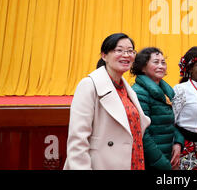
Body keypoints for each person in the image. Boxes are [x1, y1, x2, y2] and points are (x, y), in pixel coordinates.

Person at [64, 33, 150, 170]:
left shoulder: (128, 90)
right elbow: (78, 140)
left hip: (132, 162)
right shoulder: (89, 85)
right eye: (119, 50)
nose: (126, 55)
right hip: (102, 164)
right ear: (104, 55)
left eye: (130, 51)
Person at [131, 47, 184, 170]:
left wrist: (178, 141)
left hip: (166, 154)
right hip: (152, 161)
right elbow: (143, 133)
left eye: (163, 62)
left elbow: (169, 123)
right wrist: (162, 163)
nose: (161, 66)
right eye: (156, 62)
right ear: (143, 67)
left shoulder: (164, 91)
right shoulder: (139, 93)